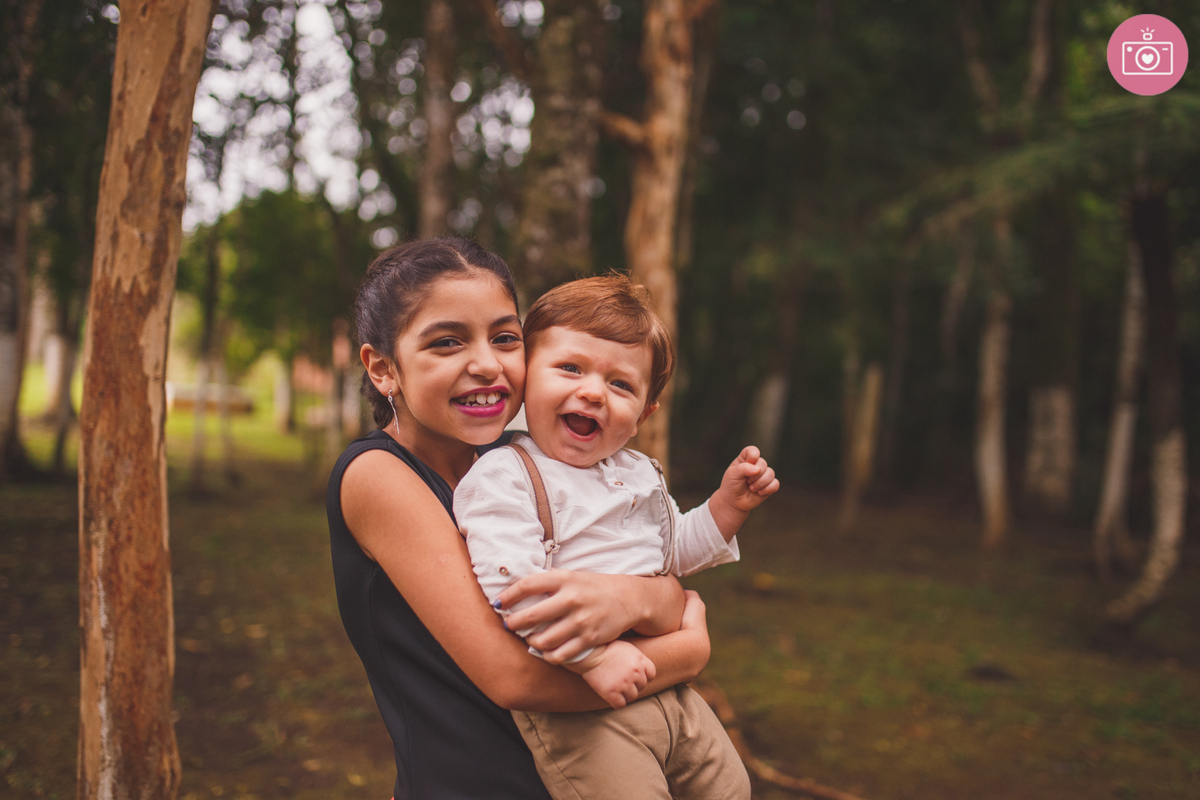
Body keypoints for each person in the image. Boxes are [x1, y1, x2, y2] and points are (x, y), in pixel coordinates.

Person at [328, 239, 712, 800]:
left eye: (505, 338)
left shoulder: (517, 466)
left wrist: (648, 600)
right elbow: (515, 676)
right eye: (447, 342)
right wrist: (686, 651)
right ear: (384, 369)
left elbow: (650, 574)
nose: (486, 363)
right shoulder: (379, 476)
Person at [454, 275, 779, 800]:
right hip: (580, 706)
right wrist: (595, 659)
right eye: (569, 368)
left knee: (730, 788)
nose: (591, 391)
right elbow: (514, 587)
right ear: (525, 379)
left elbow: (673, 551)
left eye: (621, 385)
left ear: (643, 415)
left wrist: (726, 507)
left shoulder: (634, 472)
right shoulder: (507, 475)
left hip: (672, 694)